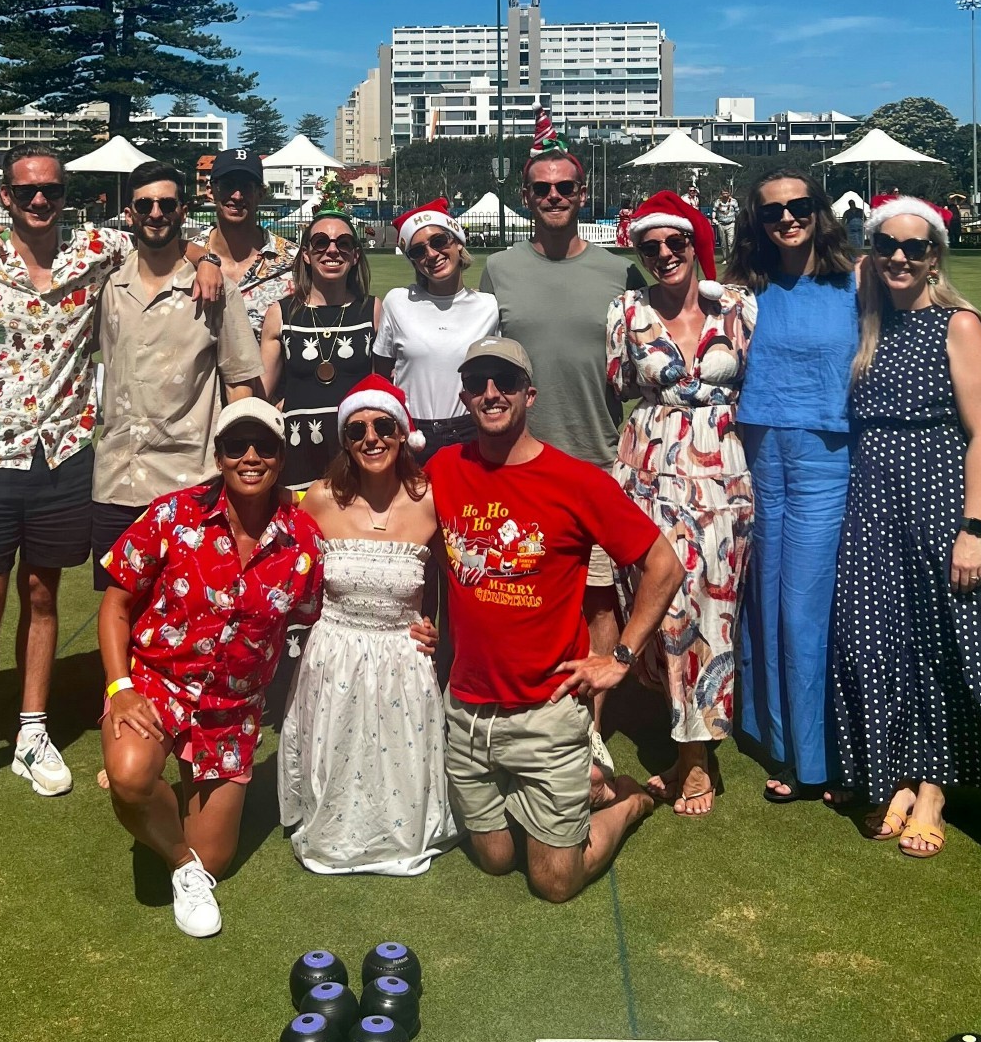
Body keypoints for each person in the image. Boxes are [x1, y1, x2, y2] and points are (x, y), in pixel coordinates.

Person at [0, 147, 222, 819]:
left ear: (66, 194)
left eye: (52, 191)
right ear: (5, 196)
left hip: (64, 455)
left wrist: (207, 255)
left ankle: (33, 732)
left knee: (42, 596)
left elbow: (172, 229)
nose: (40, 201)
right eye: (27, 192)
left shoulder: (99, 248)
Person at [831, 199, 981, 855]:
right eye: (887, 246)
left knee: (943, 644)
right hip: (873, 507)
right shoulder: (867, 320)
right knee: (878, 641)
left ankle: (933, 790)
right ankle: (898, 777)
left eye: (914, 247)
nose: (900, 257)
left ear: (935, 255)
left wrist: (974, 528)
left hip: (940, 505)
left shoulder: (958, 325)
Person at [427, 337, 682, 900]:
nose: (491, 393)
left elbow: (663, 565)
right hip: (467, 709)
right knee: (494, 861)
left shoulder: (576, 481)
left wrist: (620, 657)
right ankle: (569, 795)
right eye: (478, 383)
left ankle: (629, 799)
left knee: (554, 882)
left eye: (506, 382)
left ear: (530, 394)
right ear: (466, 396)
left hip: (543, 713)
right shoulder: (444, 469)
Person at [99, 399, 323, 937]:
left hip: (231, 709)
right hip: (157, 684)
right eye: (236, 446)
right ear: (218, 456)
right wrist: (119, 688)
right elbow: (115, 603)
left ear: (281, 457)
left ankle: (171, 825)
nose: (250, 457)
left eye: (264, 446)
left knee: (214, 857)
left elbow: (315, 619)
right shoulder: (172, 514)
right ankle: (179, 862)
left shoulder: (304, 541)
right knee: (131, 779)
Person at [607, 191, 757, 817]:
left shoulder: (739, 306)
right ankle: (684, 739)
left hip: (724, 474)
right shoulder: (626, 311)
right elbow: (617, 383)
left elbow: (763, 381)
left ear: (697, 244)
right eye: (651, 248)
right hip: (650, 472)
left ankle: (697, 758)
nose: (665, 255)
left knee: (714, 609)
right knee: (663, 608)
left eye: (676, 244)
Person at [480, 132, 637, 724]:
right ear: (526, 197)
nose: (554, 196)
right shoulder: (499, 268)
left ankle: (589, 727)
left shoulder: (618, 271)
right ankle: (524, 704)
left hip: (595, 455)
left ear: (583, 191)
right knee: (525, 588)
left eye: (564, 186)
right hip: (518, 457)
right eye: (542, 189)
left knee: (598, 596)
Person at [278, 378, 452, 875]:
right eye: (356, 429)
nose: (371, 438)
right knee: (339, 775)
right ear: (345, 441)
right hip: (334, 657)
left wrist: (436, 628)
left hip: (403, 656)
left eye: (383, 425)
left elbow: (459, 579)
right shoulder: (318, 499)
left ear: (403, 434)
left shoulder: (430, 503)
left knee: (395, 778)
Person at [726, 170, 857, 803]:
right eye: (773, 210)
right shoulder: (741, 292)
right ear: (757, 221)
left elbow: (932, 307)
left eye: (799, 207)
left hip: (825, 456)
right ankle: (775, 737)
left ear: (819, 211)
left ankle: (820, 755)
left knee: (808, 602)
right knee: (764, 596)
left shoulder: (855, 282)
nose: (787, 218)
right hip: (756, 454)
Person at [92, 161, 263, 583]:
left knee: (191, 619)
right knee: (118, 613)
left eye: (167, 203)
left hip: (188, 483)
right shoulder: (106, 284)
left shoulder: (214, 287)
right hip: (117, 479)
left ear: (183, 211)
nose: (156, 213)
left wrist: (241, 475)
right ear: (129, 213)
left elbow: (241, 383)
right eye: (145, 204)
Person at [261, 212, 380, 489]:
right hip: (298, 450)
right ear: (305, 254)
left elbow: (381, 388)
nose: (332, 250)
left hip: (357, 451)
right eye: (320, 242)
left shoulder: (372, 310)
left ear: (356, 256)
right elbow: (260, 395)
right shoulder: (281, 314)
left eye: (344, 243)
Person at [375, 199, 498, 458]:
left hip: (470, 430)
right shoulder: (397, 302)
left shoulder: (488, 306)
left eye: (439, 241)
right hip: (412, 433)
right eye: (418, 251)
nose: (431, 254)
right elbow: (382, 377)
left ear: (458, 242)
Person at [201, 146, 295, 332]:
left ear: (261, 193)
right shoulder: (188, 257)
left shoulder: (293, 261)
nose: (237, 196)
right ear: (211, 191)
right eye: (228, 185)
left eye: (246, 186)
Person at [712, 184, 739, 261]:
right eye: (723, 193)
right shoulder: (717, 202)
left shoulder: (733, 201)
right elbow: (714, 211)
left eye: (726, 193)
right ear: (721, 194)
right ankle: (725, 258)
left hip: (731, 223)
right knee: (723, 243)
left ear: (729, 193)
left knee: (731, 242)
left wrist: (738, 221)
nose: (725, 195)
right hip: (721, 223)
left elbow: (737, 212)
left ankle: (731, 259)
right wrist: (714, 219)